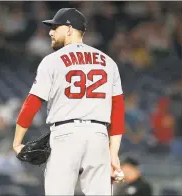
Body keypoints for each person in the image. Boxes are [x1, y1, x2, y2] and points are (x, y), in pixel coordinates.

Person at [12, 8, 125, 195]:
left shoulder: (52, 61)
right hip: (98, 136)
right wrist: (113, 154)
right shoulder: (109, 62)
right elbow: (118, 111)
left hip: (66, 135)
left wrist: (17, 142)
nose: (51, 32)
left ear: (70, 29)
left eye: (55, 27)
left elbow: (32, 103)